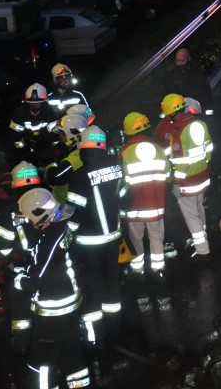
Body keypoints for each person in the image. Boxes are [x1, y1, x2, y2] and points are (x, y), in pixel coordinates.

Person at [48, 124, 124, 352]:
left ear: (83, 147)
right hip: (113, 237)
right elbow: (124, 194)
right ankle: (115, 329)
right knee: (111, 284)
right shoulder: (116, 166)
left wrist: (67, 236)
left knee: (91, 288)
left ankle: (96, 337)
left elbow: (76, 212)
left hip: (89, 243)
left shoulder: (80, 176)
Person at [14, 187, 91, 389]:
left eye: (31, 219)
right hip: (71, 304)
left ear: (42, 218)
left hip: (52, 311)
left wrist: (18, 279)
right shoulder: (63, 228)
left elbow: (36, 280)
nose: (29, 223)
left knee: (41, 363)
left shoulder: (49, 240)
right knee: (71, 354)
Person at [0, 162, 45, 373]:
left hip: (21, 272)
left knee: (21, 310)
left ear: (14, 186)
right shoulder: (48, 201)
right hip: (48, 266)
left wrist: (5, 261)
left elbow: (4, 247)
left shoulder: (9, 211)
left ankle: (22, 345)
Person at [155, 94, 213, 258]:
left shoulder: (178, 130)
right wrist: (203, 165)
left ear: (172, 113)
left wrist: (176, 183)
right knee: (199, 208)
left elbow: (179, 162)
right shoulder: (200, 124)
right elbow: (209, 149)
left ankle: (203, 250)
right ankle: (204, 238)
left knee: (191, 216)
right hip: (203, 176)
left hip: (188, 181)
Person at [119, 112, 171, 280]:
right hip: (156, 203)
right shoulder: (159, 148)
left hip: (134, 205)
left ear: (129, 130)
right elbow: (168, 174)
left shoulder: (125, 152)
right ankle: (158, 270)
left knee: (135, 238)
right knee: (157, 237)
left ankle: (137, 271)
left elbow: (122, 181)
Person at [8, 83, 62, 163]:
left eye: (38, 103)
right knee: (11, 157)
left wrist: (49, 148)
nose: (34, 105)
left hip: (44, 143)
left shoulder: (51, 112)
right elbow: (15, 136)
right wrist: (24, 151)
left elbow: (55, 134)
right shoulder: (20, 113)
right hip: (25, 144)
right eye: (31, 103)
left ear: (43, 102)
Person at [159, 47, 214, 115]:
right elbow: (164, 94)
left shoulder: (198, 73)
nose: (180, 63)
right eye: (177, 61)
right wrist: (164, 112)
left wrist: (209, 112)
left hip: (196, 110)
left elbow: (206, 93)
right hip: (177, 111)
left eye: (182, 60)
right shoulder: (170, 74)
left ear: (189, 59)